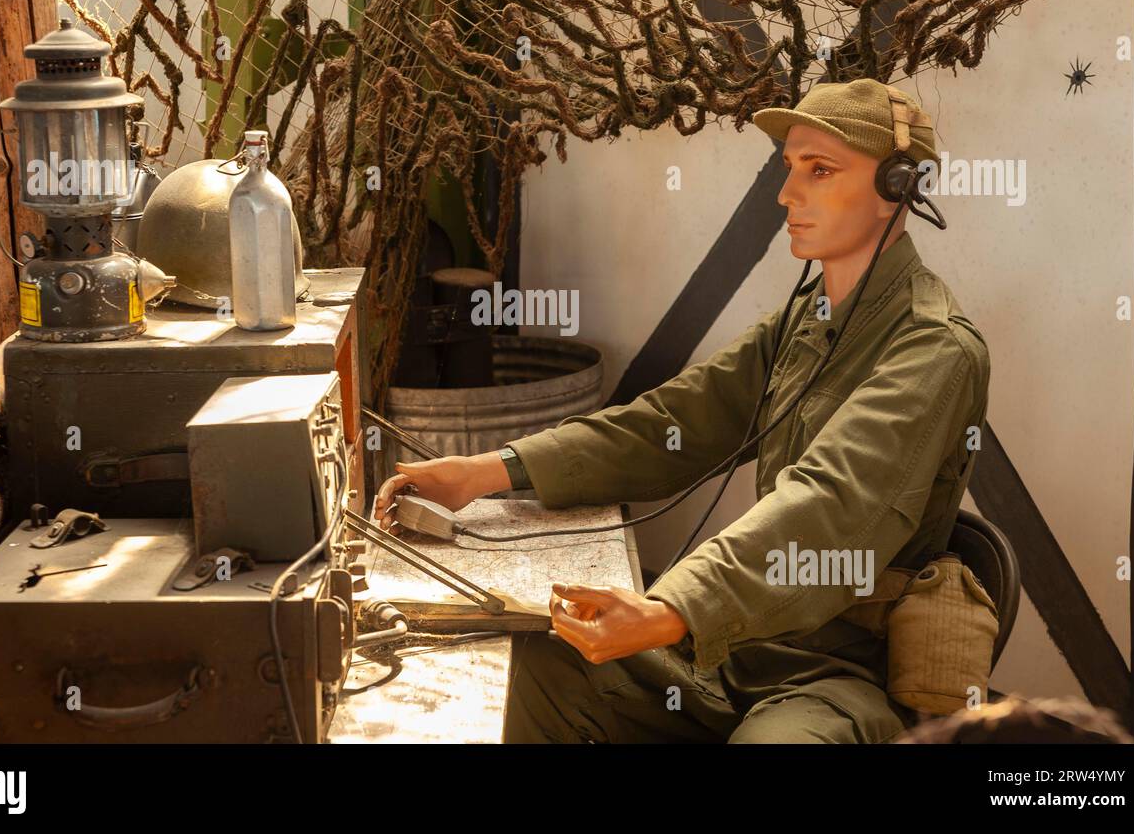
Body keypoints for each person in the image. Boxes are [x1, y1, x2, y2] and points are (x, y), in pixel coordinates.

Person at [372, 78, 991, 743]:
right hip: (737, 647)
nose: (788, 195)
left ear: (897, 187)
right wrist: (489, 471)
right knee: (541, 657)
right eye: (789, 168)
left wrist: (671, 605)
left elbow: (830, 504)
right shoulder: (805, 322)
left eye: (820, 170)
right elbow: (669, 424)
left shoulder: (934, 347)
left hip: (838, 673)